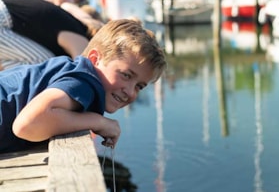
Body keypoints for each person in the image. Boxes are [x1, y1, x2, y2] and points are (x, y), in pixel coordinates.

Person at [0, 19, 167, 153]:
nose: (130, 91)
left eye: (139, 86)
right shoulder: (84, 82)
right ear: (94, 59)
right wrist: (99, 122)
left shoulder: (71, 71)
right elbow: (27, 125)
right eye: (126, 75)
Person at [0, 0, 104, 69]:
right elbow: (82, 70)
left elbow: (67, 5)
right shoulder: (81, 39)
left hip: (4, 18)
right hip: (3, 20)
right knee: (46, 66)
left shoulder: (72, 20)